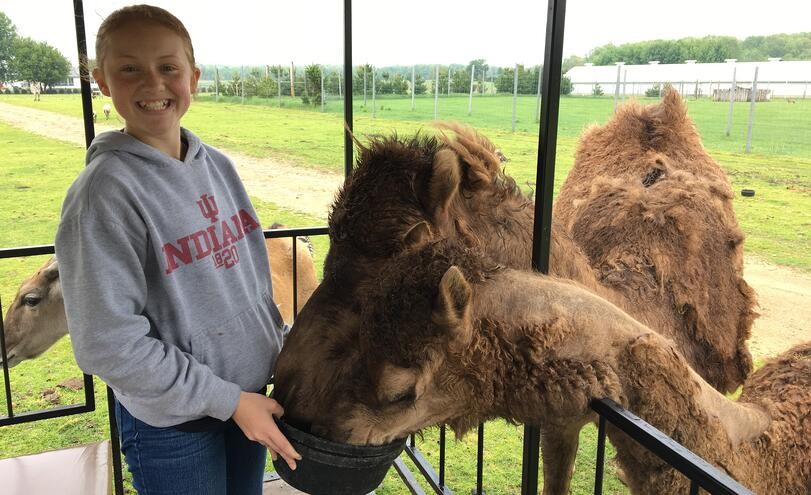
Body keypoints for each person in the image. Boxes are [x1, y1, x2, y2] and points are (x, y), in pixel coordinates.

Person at [54, 5, 300, 494]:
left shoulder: (219, 166)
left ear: (194, 77)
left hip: (248, 400)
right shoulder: (103, 195)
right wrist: (229, 401)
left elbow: (247, 281)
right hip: (175, 427)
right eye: (130, 69)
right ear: (102, 82)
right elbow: (107, 343)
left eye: (168, 67)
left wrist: (272, 348)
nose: (153, 83)